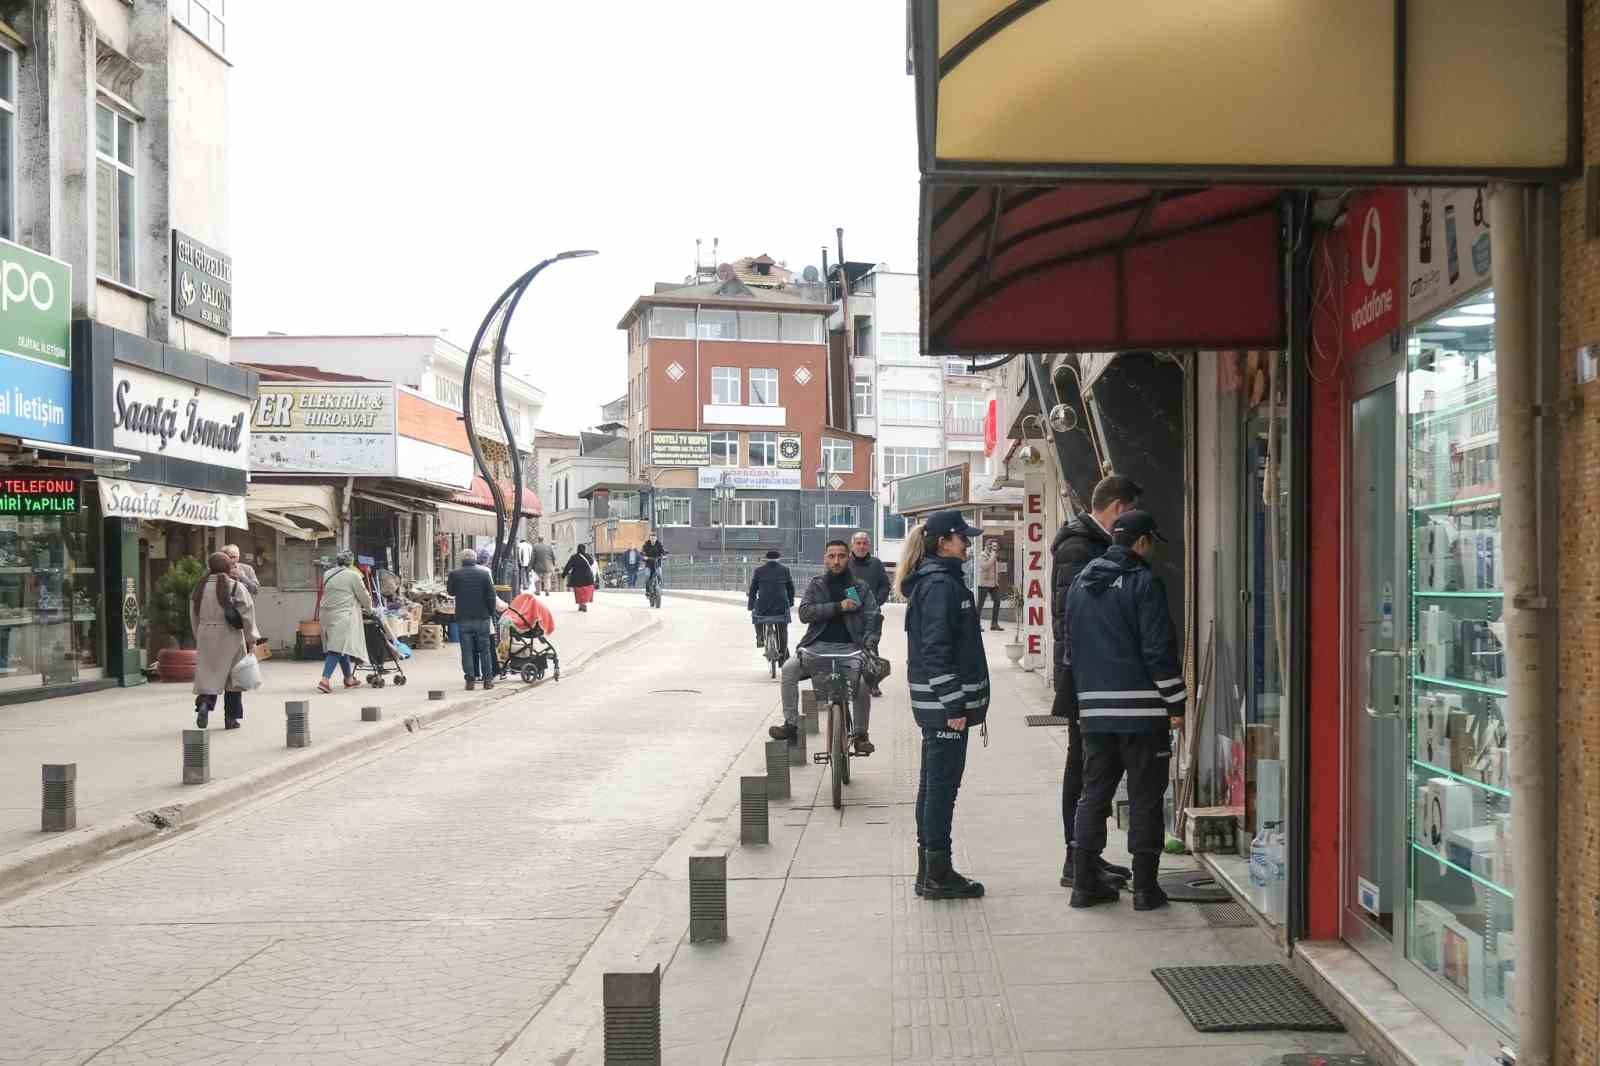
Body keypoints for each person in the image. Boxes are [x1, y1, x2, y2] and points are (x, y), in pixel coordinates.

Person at [1066, 509, 1185, 911]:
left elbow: (1071, 646)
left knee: (1093, 794)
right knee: (1146, 796)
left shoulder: (1081, 582)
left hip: (1095, 712)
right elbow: (1158, 650)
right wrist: (1176, 701)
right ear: (1142, 542)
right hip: (1143, 713)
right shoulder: (1143, 582)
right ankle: (1146, 890)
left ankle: (1083, 883)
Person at [1051, 474, 1143, 890]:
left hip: (1095, 675)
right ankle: (1076, 859)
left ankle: (1089, 855)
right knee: (1085, 769)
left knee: (1096, 769)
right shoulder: (1078, 546)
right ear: (1120, 508)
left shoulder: (1093, 543)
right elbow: (1070, 619)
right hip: (1084, 677)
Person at [902, 510, 989, 900]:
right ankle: (937, 873)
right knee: (941, 790)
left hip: (940, 706)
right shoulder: (940, 585)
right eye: (962, 538)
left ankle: (930, 871)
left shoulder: (941, 582)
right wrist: (956, 704)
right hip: (944, 709)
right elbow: (936, 651)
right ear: (943, 543)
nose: (968, 544)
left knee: (934, 788)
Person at [769, 539, 878, 756]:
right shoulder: (817, 584)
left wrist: (870, 643)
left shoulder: (859, 588)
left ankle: (860, 735)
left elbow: (872, 618)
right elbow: (804, 613)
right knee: (789, 670)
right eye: (832, 556)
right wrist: (837, 607)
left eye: (841, 556)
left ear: (848, 558)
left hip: (851, 648)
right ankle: (790, 726)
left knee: (864, 681)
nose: (836, 561)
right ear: (825, 559)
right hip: (816, 647)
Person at [191, 551, 256, 729]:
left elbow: (193, 615)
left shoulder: (199, 587)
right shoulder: (235, 586)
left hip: (205, 634)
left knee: (209, 676)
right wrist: (252, 639)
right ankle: (231, 719)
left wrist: (199, 635)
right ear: (228, 567)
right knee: (233, 679)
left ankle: (204, 705)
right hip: (230, 635)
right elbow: (248, 615)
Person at [317, 550, 372, 694]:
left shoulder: (327, 574)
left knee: (341, 644)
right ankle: (325, 680)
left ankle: (349, 678)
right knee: (335, 647)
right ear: (351, 562)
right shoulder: (353, 576)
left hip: (325, 614)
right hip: (342, 615)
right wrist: (370, 609)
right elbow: (364, 596)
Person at [847, 530, 891, 697]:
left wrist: (877, 601)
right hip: (850, 612)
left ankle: (873, 683)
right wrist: (853, 603)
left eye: (864, 543)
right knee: (850, 647)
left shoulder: (876, 564)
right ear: (853, 545)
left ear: (869, 545)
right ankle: (851, 682)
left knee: (871, 647)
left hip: (872, 614)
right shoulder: (846, 563)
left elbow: (885, 585)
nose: (861, 546)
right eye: (858, 543)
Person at [448, 547, 498, 690]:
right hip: (482, 617)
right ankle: (488, 680)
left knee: (467, 650)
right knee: (485, 649)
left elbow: (451, 592)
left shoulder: (454, 574)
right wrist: (491, 612)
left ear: (462, 560)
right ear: (475, 559)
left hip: (463, 618)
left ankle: (470, 681)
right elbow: (491, 595)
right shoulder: (484, 574)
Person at [747, 549, 795, 662]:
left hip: (763, 607)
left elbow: (753, 589)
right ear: (779, 559)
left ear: (766, 559)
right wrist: (790, 602)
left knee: (756, 613)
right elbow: (791, 588)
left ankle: (760, 637)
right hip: (781, 607)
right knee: (783, 630)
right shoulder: (785, 570)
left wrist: (751, 605)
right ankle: (783, 659)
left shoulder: (759, 571)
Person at [975, 541, 1002, 631]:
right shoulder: (982, 555)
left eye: (996, 546)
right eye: (992, 545)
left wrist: (996, 581)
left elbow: (995, 569)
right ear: (987, 546)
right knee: (980, 604)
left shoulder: (993, 555)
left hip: (993, 584)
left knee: (997, 601)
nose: (994, 547)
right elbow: (985, 566)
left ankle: (994, 624)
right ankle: (976, 625)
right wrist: (993, 556)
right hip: (984, 583)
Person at [562, 544, 598, 612]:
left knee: (579, 593)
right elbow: (592, 562)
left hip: (577, 579)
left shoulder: (574, 557)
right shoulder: (588, 556)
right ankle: (583, 604)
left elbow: (568, 566)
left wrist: (564, 574)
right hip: (587, 578)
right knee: (585, 592)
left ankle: (581, 604)